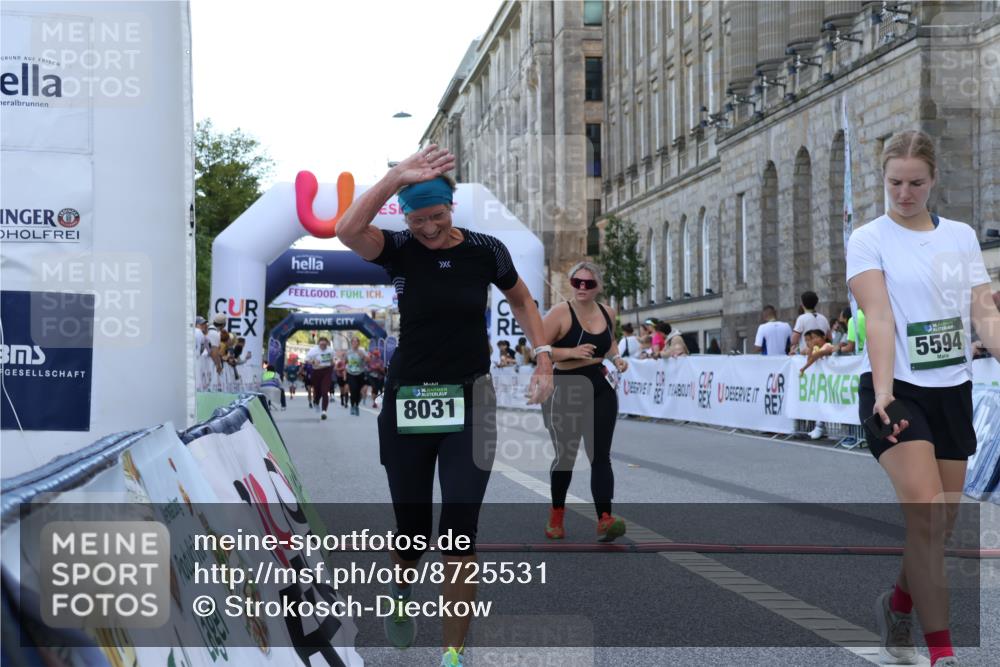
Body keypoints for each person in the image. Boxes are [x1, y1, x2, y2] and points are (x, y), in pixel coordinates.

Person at [336, 144, 553, 666]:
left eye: (436, 216)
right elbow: (345, 231)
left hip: (470, 398)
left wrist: (543, 357)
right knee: (411, 533)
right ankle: (403, 592)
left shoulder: (486, 249)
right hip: (409, 398)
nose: (428, 228)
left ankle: (452, 655)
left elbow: (522, 300)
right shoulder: (396, 249)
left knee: (459, 528)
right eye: (417, 218)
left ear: (452, 207)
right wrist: (395, 179)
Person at [847, 129, 1000, 667]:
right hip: (898, 393)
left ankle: (898, 604)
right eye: (895, 182)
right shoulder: (868, 238)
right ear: (883, 178)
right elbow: (880, 318)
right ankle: (943, 654)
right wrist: (885, 389)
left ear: (934, 180)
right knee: (928, 520)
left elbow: (983, 310)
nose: (905, 193)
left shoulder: (959, 236)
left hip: (952, 391)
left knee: (941, 528)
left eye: (915, 183)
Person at [541, 261, 629, 543]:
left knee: (600, 455)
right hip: (567, 386)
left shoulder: (608, 311)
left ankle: (605, 519)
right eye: (576, 282)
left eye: (588, 284)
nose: (581, 287)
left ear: (598, 287)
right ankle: (556, 515)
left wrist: (616, 358)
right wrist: (571, 351)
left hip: (599, 385)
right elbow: (540, 350)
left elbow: (610, 341)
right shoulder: (560, 312)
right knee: (565, 457)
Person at [305, 336, 334, 419]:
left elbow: (333, 360)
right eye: (321, 345)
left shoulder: (330, 350)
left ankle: (324, 411)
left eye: (324, 345)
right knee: (318, 391)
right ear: (319, 344)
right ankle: (316, 402)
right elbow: (306, 359)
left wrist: (333, 363)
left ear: (327, 344)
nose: (323, 347)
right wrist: (313, 361)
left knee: (325, 391)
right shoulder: (314, 350)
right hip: (316, 372)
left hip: (327, 371)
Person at [345, 336, 369, 416]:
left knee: (359, 392)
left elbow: (368, 361)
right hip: (351, 373)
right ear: (351, 343)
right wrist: (344, 373)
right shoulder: (348, 352)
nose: (355, 343)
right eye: (353, 342)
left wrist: (363, 356)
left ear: (359, 343)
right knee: (353, 390)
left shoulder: (362, 351)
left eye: (356, 342)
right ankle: (352, 406)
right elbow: (345, 362)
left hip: (360, 373)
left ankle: (357, 405)